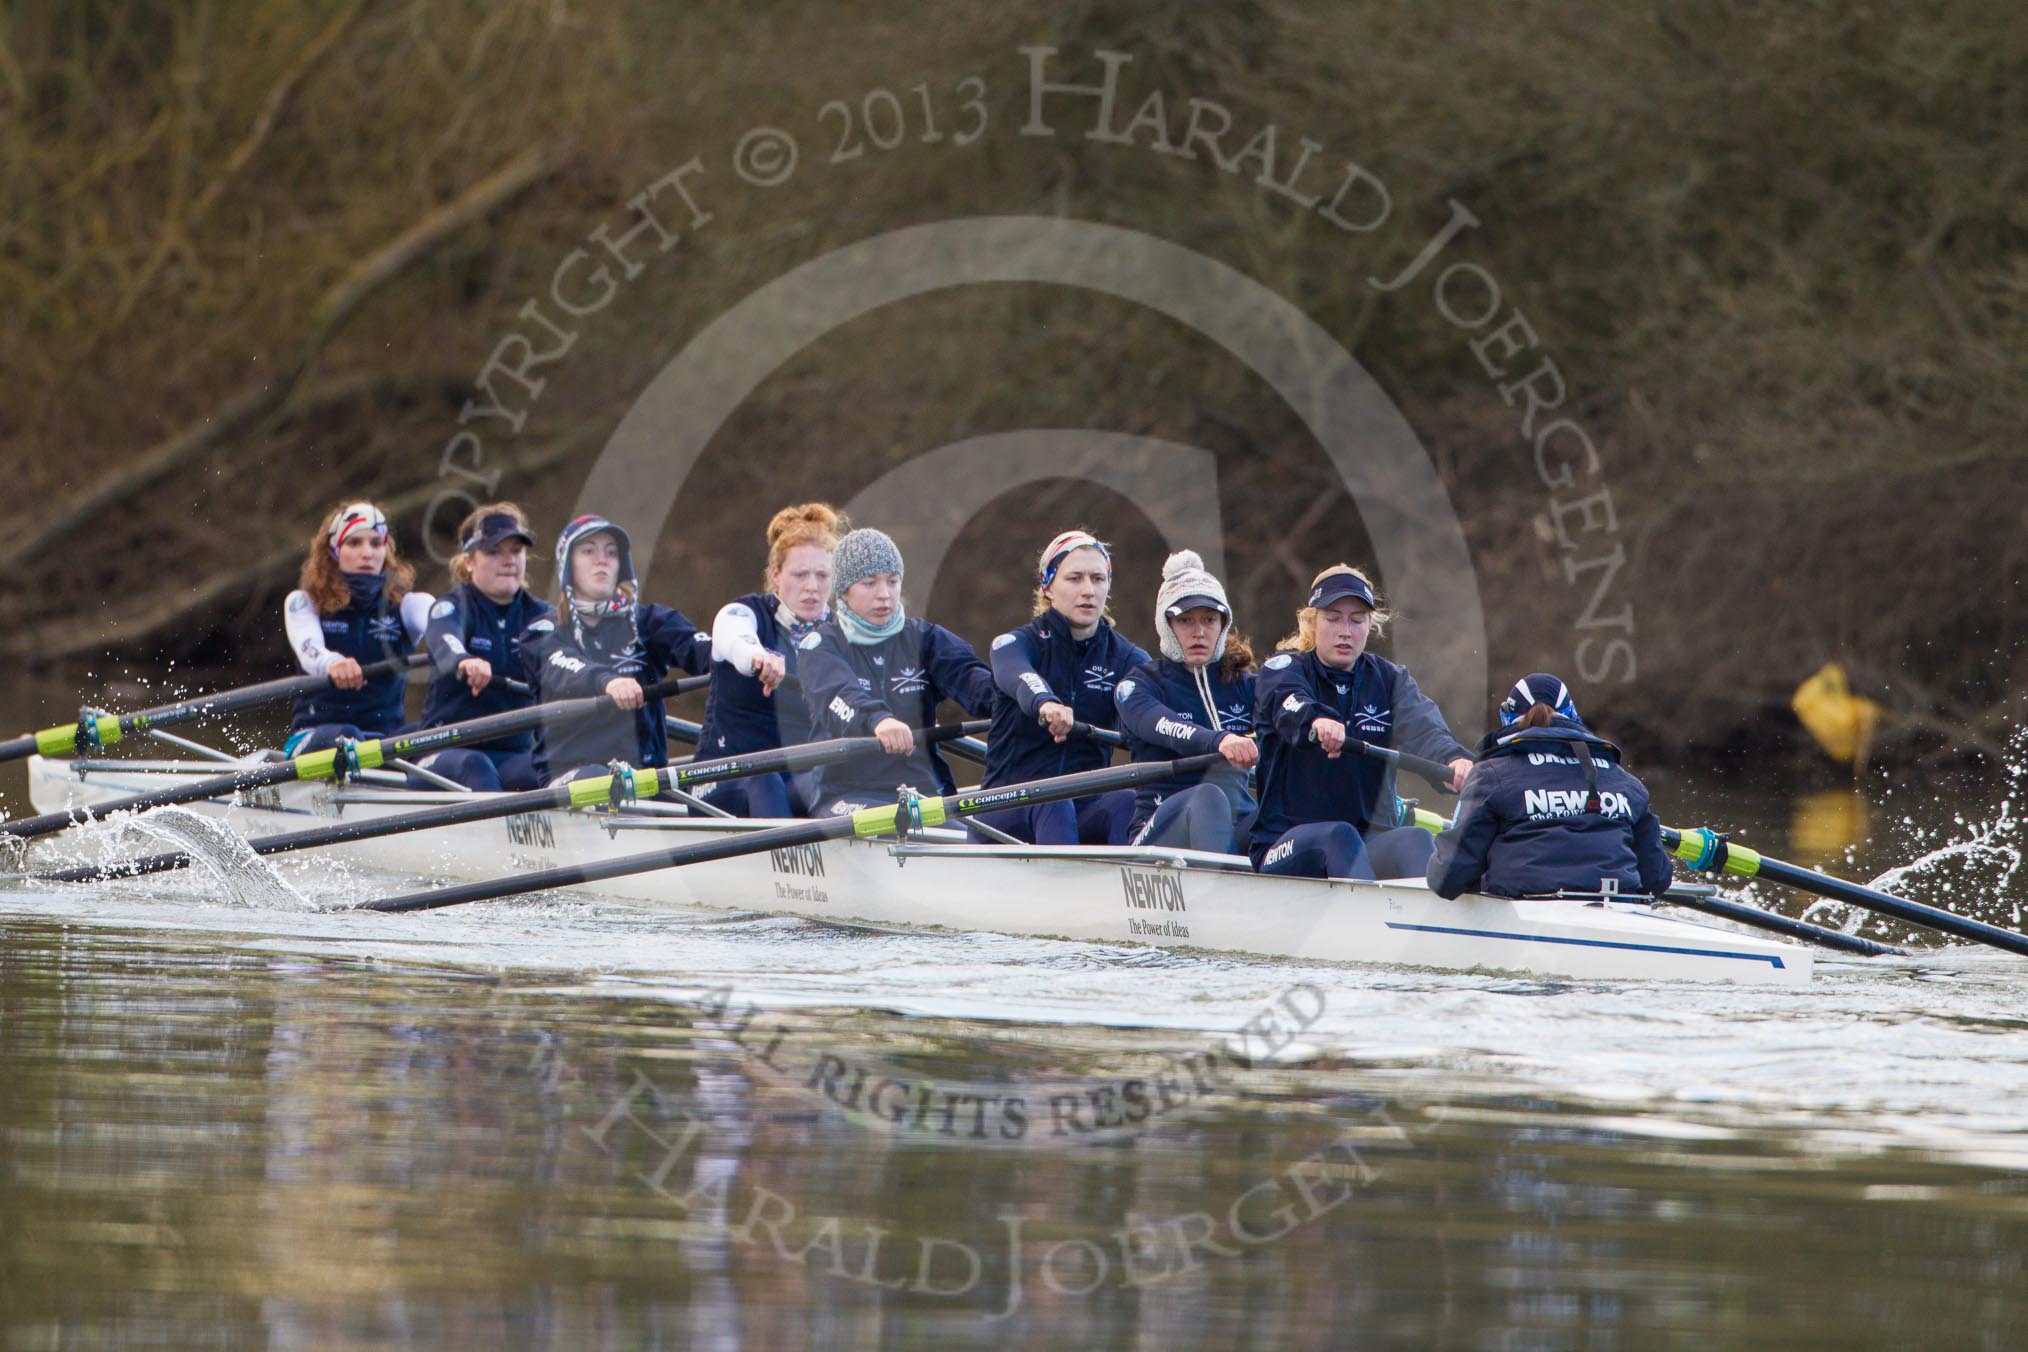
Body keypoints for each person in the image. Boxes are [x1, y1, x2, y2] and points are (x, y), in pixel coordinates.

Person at [1249, 565, 1475, 880]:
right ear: (1313, 623)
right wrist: (1316, 720)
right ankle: (1369, 925)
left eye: (1357, 620)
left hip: (1369, 841)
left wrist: (1454, 759)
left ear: (1370, 625)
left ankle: (1428, 926)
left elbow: (1427, 732)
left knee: (1415, 839)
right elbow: (1291, 704)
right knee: (1339, 837)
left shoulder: (1390, 680)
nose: (1346, 630)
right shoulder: (1283, 669)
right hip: (1285, 843)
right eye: (1333, 618)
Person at [797, 527, 996, 814]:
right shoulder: (819, 647)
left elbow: (974, 682)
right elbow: (838, 694)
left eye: (892, 581)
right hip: (847, 794)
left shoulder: (925, 638)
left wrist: (1021, 699)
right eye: (870, 583)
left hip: (922, 789)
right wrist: (879, 721)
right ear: (843, 591)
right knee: (916, 825)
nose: (884, 595)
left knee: (972, 835)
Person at [1427, 673, 1674, 899]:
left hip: (1529, 914)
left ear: (1508, 719)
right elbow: (1657, 878)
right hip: (1618, 904)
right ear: (1572, 715)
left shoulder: (1490, 776)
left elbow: (1448, 878)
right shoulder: (1626, 783)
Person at [978, 529, 1150, 844]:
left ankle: (1117, 887)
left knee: (1126, 802)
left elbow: (1153, 710)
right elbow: (1017, 675)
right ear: (1047, 586)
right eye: (1074, 579)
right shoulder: (1015, 644)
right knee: (1053, 800)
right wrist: (1046, 703)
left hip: (1083, 807)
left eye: (1098, 579)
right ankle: (1065, 889)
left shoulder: (1129, 659)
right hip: (1007, 806)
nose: (1088, 590)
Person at [519, 514, 711, 784]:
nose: (602, 559)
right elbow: (561, 664)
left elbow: (701, 649)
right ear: (567, 567)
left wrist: (742, 657)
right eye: (588, 551)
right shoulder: (542, 632)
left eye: (611, 552)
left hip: (645, 776)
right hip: (570, 776)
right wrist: (608, 682)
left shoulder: (650, 622)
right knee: (608, 783)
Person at [693, 502, 845, 818]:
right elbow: (734, 637)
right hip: (720, 782)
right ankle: (791, 866)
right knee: (764, 780)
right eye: (800, 574)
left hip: (791, 785)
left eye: (822, 575)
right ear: (776, 575)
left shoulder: (843, 636)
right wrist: (759, 657)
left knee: (844, 784)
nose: (812, 587)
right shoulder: (743, 614)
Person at [1114, 550, 1259, 854]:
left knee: (1286, 817)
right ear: (1167, 625)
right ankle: (1223, 894)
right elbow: (1165, 726)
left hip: (1237, 823)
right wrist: (1221, 741)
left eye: (1209, 620)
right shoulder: (1138, 685)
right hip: (1158, 829)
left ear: (1223, 624)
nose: (1199, 632)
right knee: (1207, 797)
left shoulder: (1247, 686)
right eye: (1185, 620)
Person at [411, 503, 554, 792]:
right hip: (444, 750)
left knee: (555, 768)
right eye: (493, 552)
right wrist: (464, 661)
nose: (508, 561)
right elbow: (444, 642)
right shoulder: (452, 607)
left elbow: (568, 661)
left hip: (511, 755)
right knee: (475, 767)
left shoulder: (543, 617)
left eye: (516, 551)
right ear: (468, 561)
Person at [282, 501, 432, 755]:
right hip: (316, 736)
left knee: (433, 732)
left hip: (385, 740)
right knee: (348, 737)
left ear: (386, 551)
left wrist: (461, 656)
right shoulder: (304, 602)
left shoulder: (410, 606)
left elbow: (445, 630)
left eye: (375, 544)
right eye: (354, 543)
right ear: (334, 551)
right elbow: (309, 649)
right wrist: (333, 664)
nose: (367, 553)